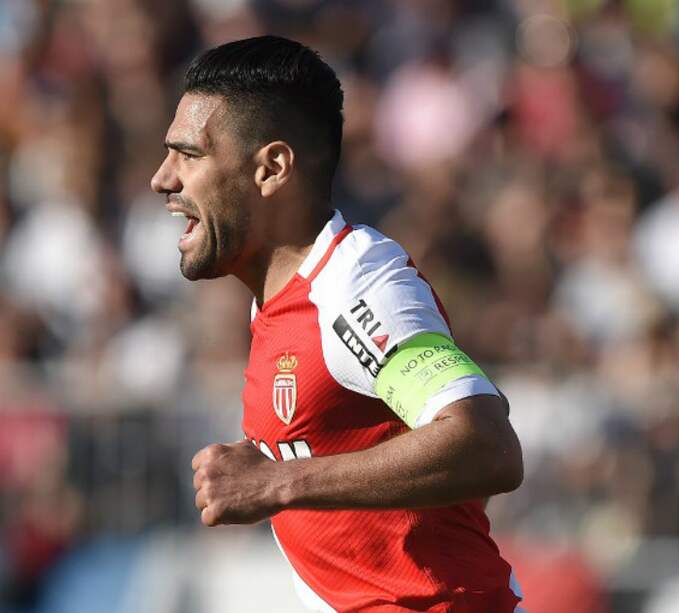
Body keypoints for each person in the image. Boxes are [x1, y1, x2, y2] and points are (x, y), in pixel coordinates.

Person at [149, 36, 525, 612]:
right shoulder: (279, 300)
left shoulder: (355, 286)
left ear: (272, 168)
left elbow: (486, 443)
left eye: (190, 155)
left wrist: (277, 483)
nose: (162, 179)